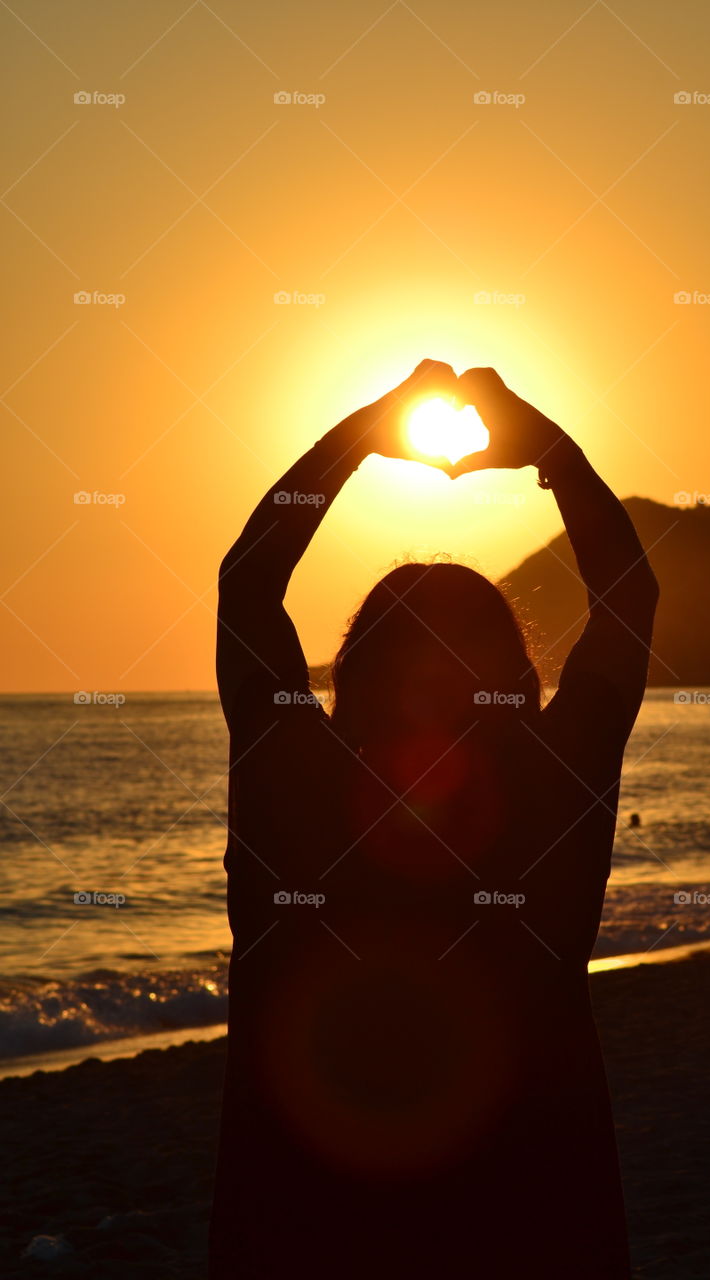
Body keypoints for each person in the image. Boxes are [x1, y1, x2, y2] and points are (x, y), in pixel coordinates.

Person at [210, 360, 658, 1278]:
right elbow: (629, 597)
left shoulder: (289, 770)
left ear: (349, 670)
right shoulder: (554, 779)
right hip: (535, 1220)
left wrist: (364, 434)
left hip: (300, 1224)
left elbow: (249, 585)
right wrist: (549, 455)